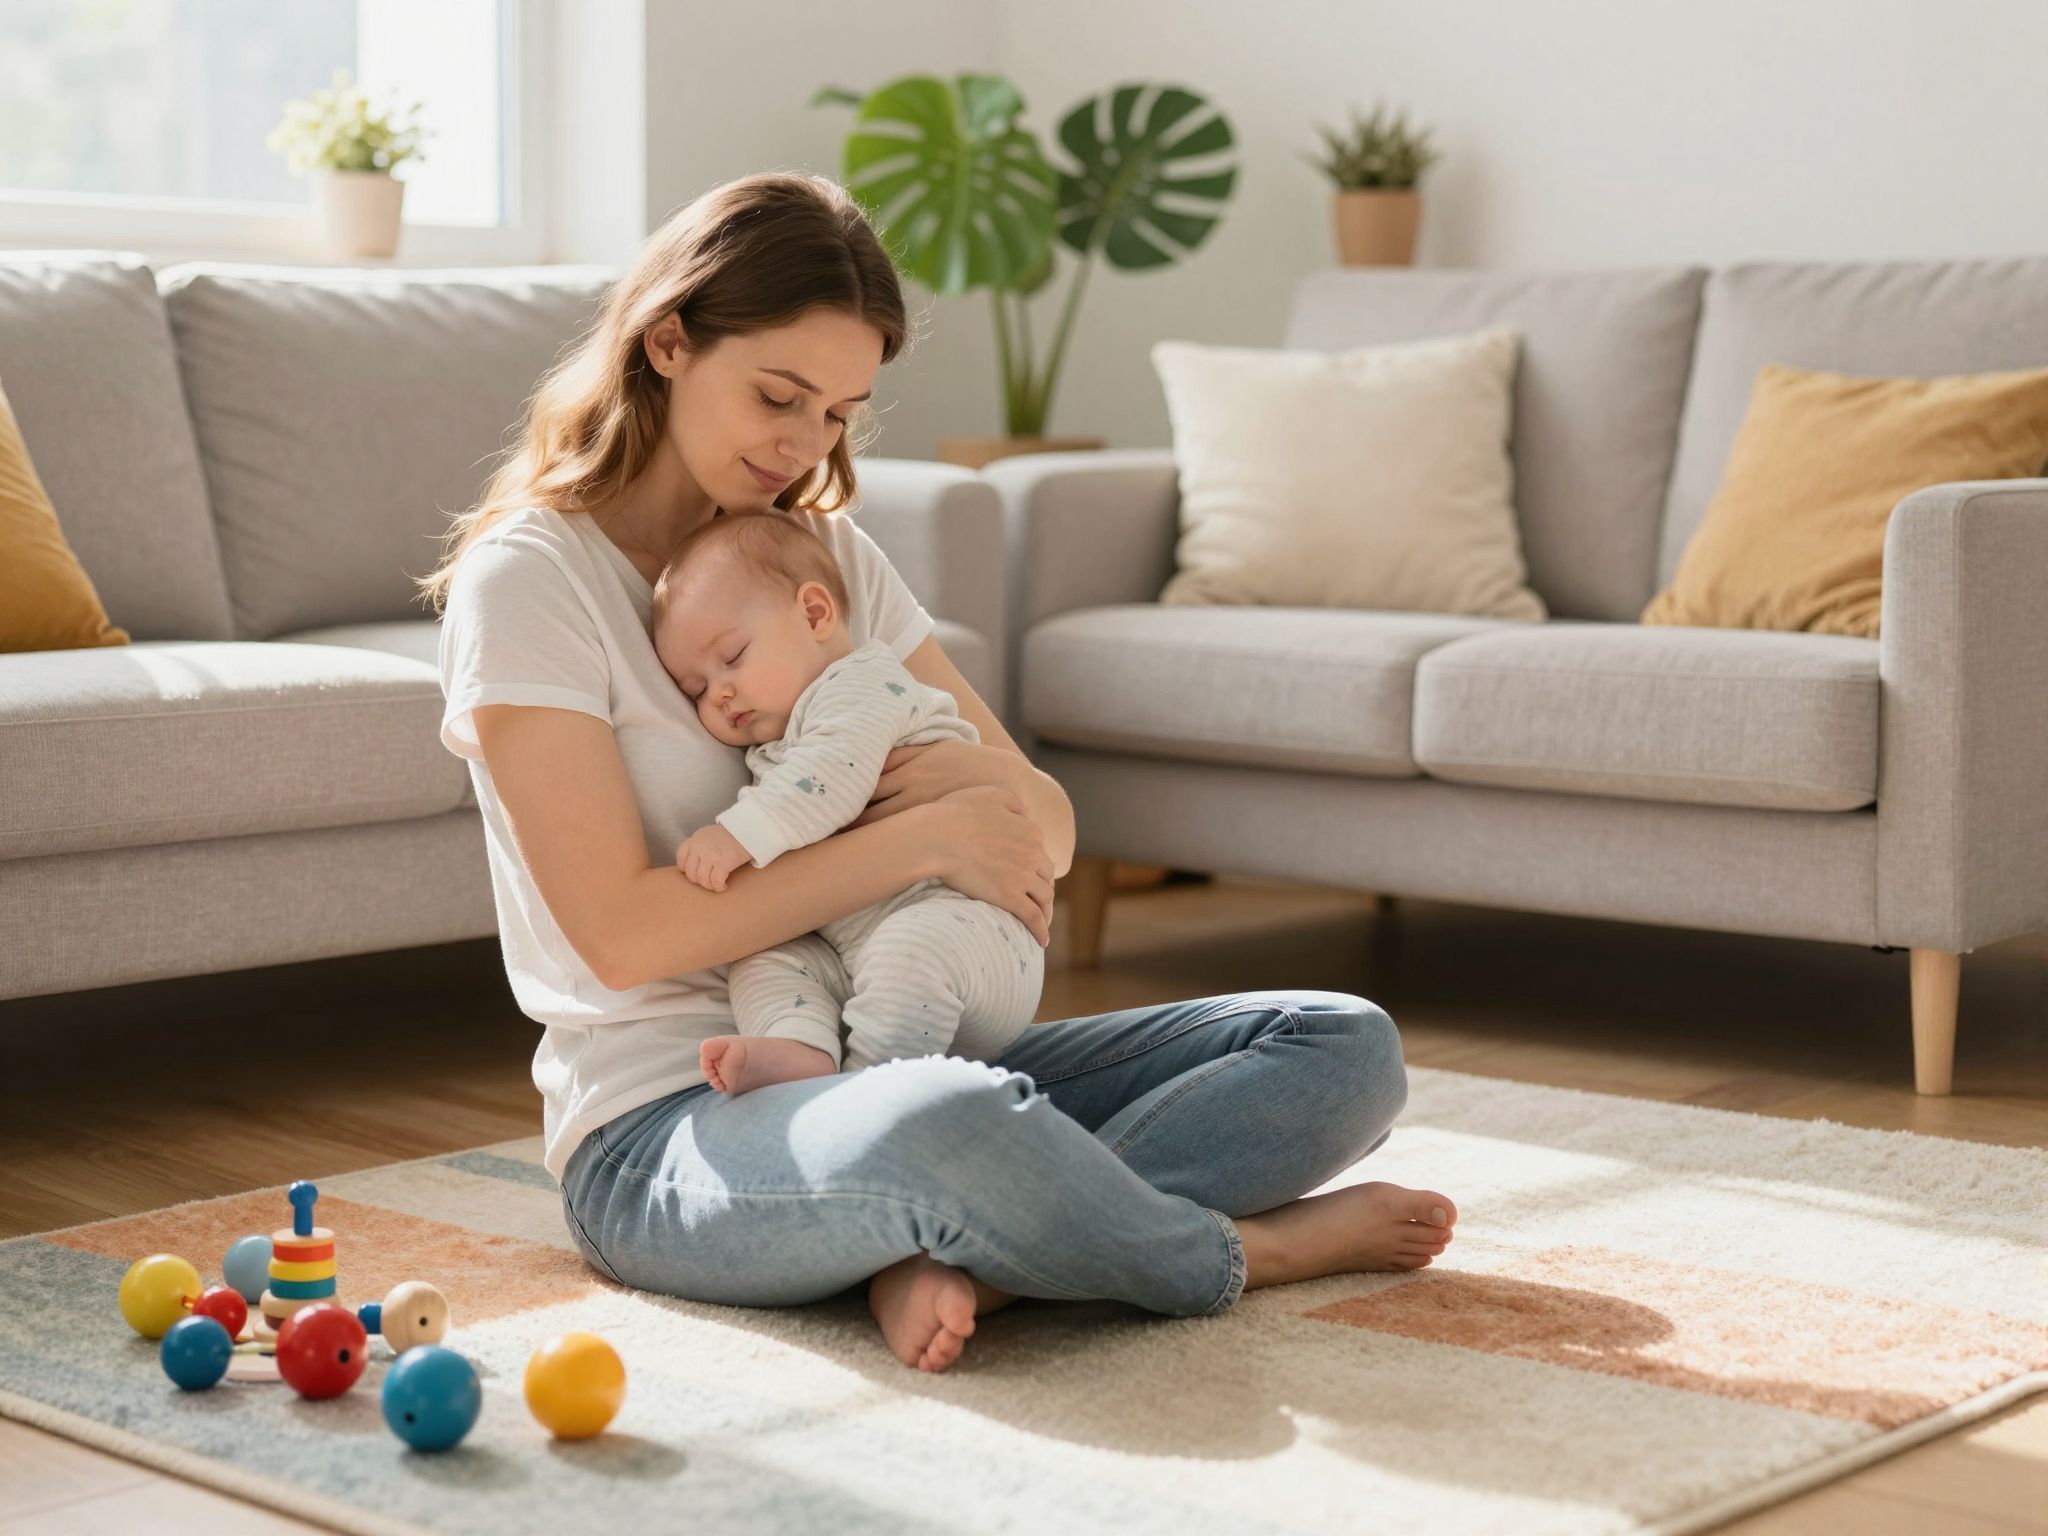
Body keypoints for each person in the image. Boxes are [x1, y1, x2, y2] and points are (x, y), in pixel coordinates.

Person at [421, 171, 1457, 1375]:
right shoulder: (529, 582)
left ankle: (966, 1244)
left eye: (836, 414)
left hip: (907, 1048)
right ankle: (1227, 1252)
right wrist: (921, 839)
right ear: (665, 343)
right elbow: (622, 937)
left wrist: (978, 815)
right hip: (669, 1127)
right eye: (778, 396)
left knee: (1336, 1044)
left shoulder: (826, 560)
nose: (803, 445)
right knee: (956, 1125)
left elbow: (1047, 825)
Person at [649, 511, 1044, 1097]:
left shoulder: (860, 684)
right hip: (851, 948)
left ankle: (865, 1095)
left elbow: (831, 777)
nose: (720, 692)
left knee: (910, 951)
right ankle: (801, 1046)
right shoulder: (776, 742)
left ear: (814, 614)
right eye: (696, 690)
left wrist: (738, 834)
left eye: (731, 657)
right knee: (765, 959)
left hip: (969, 931)